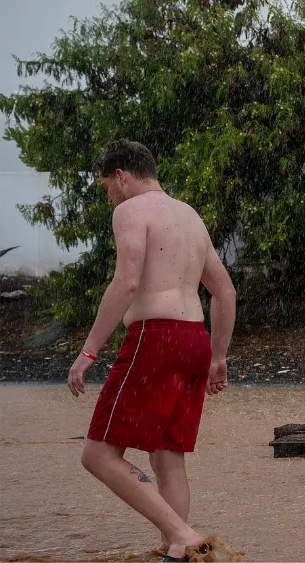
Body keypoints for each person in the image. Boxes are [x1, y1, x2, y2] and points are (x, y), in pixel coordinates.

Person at [66, 139, 239, 562]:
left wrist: (89, 351)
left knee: (98, 454)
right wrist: (218, 357)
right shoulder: (190, 216)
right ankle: (175, 552)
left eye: (107, 186)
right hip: (195, 341)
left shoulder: (129, 211)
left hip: (154, 338)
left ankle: (182, 535)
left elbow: (126, 282)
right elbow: (225, 290)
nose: (109, 196)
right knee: (167, 456)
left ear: (122, 176)